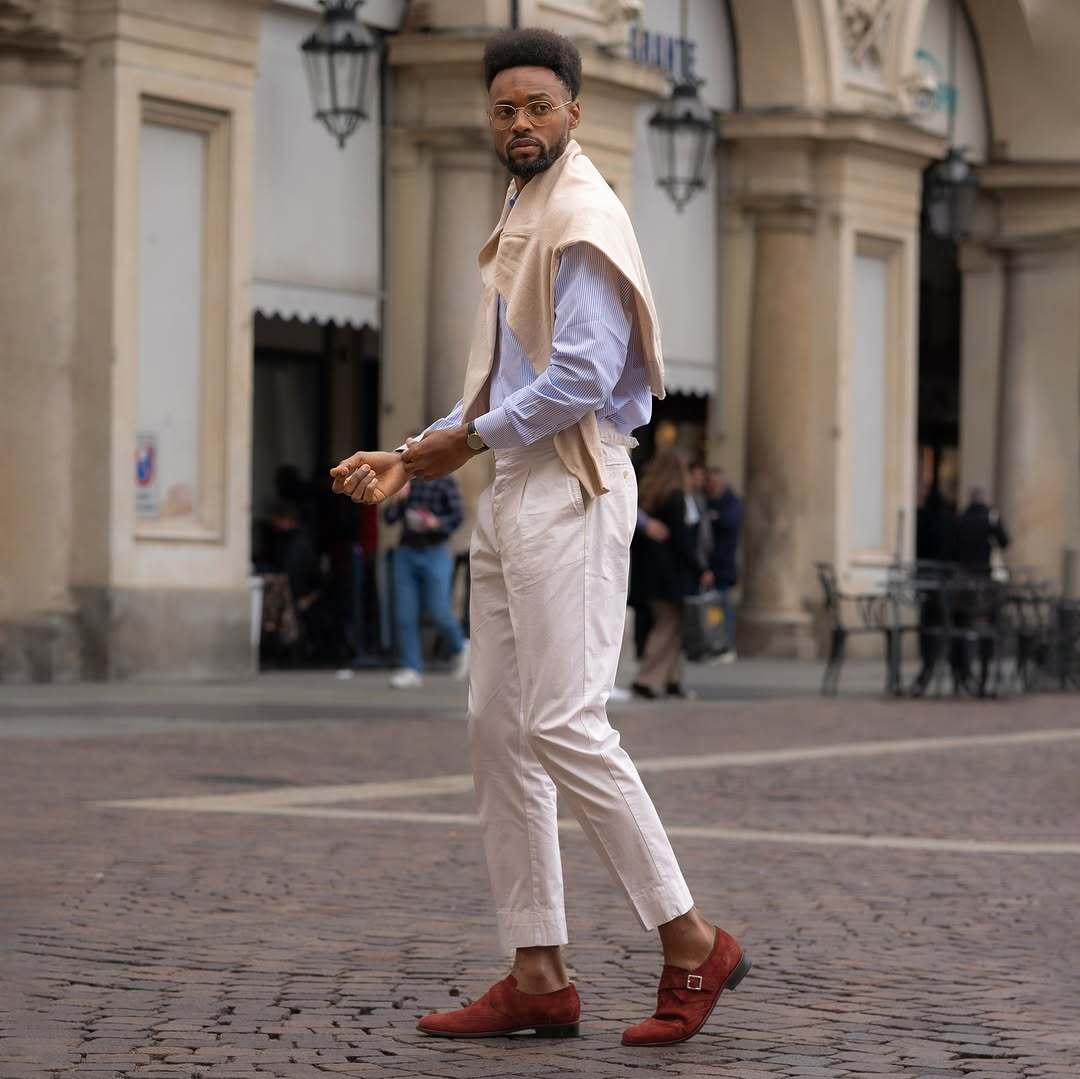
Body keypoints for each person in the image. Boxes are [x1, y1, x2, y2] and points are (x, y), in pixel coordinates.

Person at [330, 28, 749, 1048]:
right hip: (513, 483)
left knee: (564, 721)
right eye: (505, 110)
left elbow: (578, 381)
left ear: (574, 112)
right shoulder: (525, 205)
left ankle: (692, 937)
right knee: (497, 731)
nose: (520, 124)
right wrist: (413, 449)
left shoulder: (584, 213)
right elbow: (505, 377)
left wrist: (455, 444)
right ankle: (539, 969)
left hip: (571, 479)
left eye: (538, 108)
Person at [630, 450, 711, 699]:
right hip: (670, 576)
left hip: (652, 575)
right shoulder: (676, 497)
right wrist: (701, 569)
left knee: (674, 627)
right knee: (667, 626)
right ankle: (646, 678)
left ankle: (672, 679)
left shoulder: (649, 496)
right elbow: (682, 541)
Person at [383, 473, 469, 689]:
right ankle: (411, 667)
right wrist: (397, 497)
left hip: (435, 550)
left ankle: (461, 647)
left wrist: (436, 522)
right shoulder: (403, 480)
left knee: (439, 611)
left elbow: (458, 515)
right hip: (406, 551)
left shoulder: (445, 479)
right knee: (405, 614)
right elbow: (389, 519)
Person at [947, 487, 1010, 695]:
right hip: (983, 582)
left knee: (959, 626)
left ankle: (960, 673)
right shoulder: (989, 518)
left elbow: (952, 550)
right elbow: (1004, 542)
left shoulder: (960, 519)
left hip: (962, 583)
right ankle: (984, 676)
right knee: (988, 627)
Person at [705, 466, 743, 659]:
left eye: (714, 482)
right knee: (712, 609)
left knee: (723, 606)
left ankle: (726, 645)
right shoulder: (708, 500)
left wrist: (714, 518)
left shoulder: (730, 502)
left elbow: (729, 523)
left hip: (723, 563)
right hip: (711, 563)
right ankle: (715, 644)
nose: (711, 486)